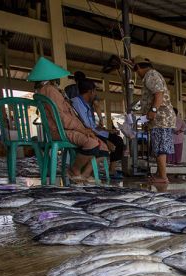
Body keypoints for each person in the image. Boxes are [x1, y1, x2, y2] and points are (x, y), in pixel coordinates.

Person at [28, 57, 109, 182]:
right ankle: (74, 170)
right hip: (61, 130)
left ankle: (85, 174)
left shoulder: (45, 91)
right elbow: (62, 118)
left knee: (103, 147)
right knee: (92, 143)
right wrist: (82, 129)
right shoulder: (50, 91)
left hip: (64, 129)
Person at [131, 56, 177, 184]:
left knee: (160, 147)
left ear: (139, 67)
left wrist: (153, 111)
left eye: (136, 70)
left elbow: (159, 94)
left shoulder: (151, 75)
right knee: (158, 145)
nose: (137, 74)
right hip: (160, 119)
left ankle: (163, 176)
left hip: (161, 117)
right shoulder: (152, 75)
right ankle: (159, 173)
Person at [71, 79, 125, 178]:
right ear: (90, 91)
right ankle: (84, 172)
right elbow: (85, 125)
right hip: (87, 133)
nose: (95, 94)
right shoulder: (77, 103)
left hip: (95, 131)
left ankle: (110, 170)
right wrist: (105, 141)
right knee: (108, 145)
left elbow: (92, 125)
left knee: (119, 141)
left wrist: (107, 130)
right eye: (94, 91)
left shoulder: (86, 104)